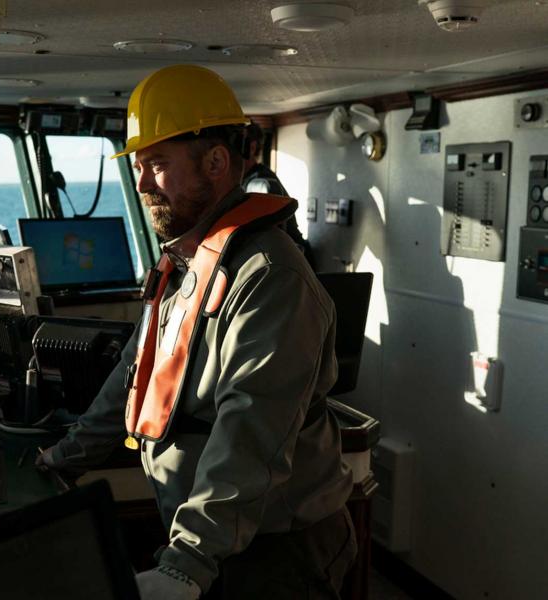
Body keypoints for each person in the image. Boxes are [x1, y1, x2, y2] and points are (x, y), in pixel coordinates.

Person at [36, 65, 355, 599]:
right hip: (214, 534)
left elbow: (251, 429)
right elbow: (135, 375)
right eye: (138, 167)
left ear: (215, 161)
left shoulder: (270, 277)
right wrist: (63, 456)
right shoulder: (187, 262)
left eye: (156, 164)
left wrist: (188, 563)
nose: (140, 184)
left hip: (274, 551)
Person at [242, 122, 315, 268]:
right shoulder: (245, 180)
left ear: (251, 147)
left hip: (292, 264)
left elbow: (271, 243)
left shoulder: (261, 184)